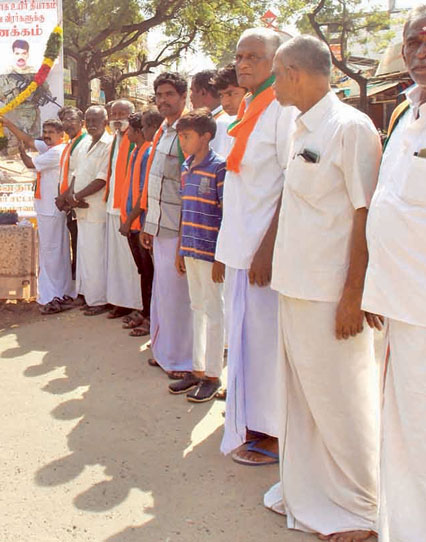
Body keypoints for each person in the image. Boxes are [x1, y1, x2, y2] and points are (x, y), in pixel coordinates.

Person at [259, 35, 381, 542]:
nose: (272, 82)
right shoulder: (299, 125)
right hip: (296, 286)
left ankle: (362, 507)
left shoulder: (350, 128)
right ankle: (309, 489)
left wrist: (354, 295)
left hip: (332, 296)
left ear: (296, 73)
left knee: (342, 401)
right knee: (303, 398)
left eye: (276, 72)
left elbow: (366, 214)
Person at [215, 28, 295, 465]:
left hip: (264, 254)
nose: (243, 63)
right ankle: (250, 422)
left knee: (266, 346)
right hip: (240, 247)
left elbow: (291, 183)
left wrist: (267, 248)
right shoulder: (247, 107)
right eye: (240, 55)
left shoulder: (283, 110)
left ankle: (274, 432)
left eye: (254, 57)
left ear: (277, 62)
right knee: (244, 341)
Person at [363, 6, 426, 541]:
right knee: (402, 434)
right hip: (397, 303)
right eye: (414, 40)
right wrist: (373, 285)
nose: (421, 49)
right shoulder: (405, 112)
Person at [140, 72, 194, 380]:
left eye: (169, 94)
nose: (163, 100)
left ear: (183, 97)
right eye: (159, 94)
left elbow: (188, 184)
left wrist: (187, 236)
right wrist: (149, 222)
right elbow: (156, 180)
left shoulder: (187, 131)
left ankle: (182, 360)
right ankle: (164, 352)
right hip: (159, 224)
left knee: (179, 298)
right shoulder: (163, 130)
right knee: (163, 294)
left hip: (179, 226)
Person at [172, 109, 226, 402]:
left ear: (205, 136)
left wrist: (221, 256)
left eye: (187, 136)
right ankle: (197, 369)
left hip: (210, 251)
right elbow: (184, 210)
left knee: (214, 311)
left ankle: (214, 375)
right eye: (180, 136)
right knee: (197, 308)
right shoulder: (186, 167)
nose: (182, 141)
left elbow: (226, 214)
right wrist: (181, 248)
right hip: (190, 248)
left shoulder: (219, 168)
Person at [12, 118, 75, 313]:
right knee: (57, 251)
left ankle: (51, 294)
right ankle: (62, 291)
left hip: (50, 210)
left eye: (50, 132)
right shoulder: (52, 149)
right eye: (45, 132)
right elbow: (31, 140)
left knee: (51, 253)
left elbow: (30, 163)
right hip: (49, 209)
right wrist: (8, 124)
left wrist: (20, 150)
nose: (46, 136)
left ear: (61, 135)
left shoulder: (57, 151)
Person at [63, 105, 113, 315]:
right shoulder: (84, 144)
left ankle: (99, 300)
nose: (92, 124)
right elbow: (76, 173)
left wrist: (76, 197)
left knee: (95, 258)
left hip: (95, 209)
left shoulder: (109, 145)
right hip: (81, 209)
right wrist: (69, 196)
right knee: (84, 256)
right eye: (88, 121)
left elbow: (102, 178)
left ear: (105, 122)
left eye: (96, 121)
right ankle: (85, 296)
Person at [121, 110, 163, 337]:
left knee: (149, 272)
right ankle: (145, 311)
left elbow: (143, 192)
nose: (126, 133)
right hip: (132, 221)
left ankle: (150, 317)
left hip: (141, 222)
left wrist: (130, 219)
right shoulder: (137, 151)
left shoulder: (148, 153)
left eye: (130, 129)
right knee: (143, 271)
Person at [103, 100, 143, 325]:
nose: (117, 117)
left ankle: (136, 304)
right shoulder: (115, 138)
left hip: (127, 208)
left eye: (122, 113)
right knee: (116, 260)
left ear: (131, 115)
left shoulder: (135, 138)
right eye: (113, 113)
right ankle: (120, 301)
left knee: (130, 261)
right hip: (112, 205)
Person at [0, 39, 51, 154]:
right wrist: (13, 90)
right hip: (14, 113)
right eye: (17, 53)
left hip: (32, 113)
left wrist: (42, 97)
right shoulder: (7, 74)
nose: (20, 56)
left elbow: (47, 93)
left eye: (23, 53)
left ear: (28, 54)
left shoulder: (35, 73)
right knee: (13, 144)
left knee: (35, 144)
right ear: (13, 54)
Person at [56, 106, 87, 285]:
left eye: (71, 119)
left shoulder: (84, 142)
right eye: (64, 120)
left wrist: (67, 197)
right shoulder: (70, 143)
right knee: (75, 245)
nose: (67, 123)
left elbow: (78, 174)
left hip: (77, 203)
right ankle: (78, 287)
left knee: (81, 247)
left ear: (80, 122)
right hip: (69, 205)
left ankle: (82, 290)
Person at [190, 69, 232, 156]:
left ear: (203, 92)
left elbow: (218, 165)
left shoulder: (221, 123)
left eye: (192, 91)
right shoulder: (214, 120)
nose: (190, 97)